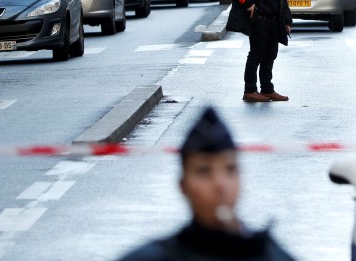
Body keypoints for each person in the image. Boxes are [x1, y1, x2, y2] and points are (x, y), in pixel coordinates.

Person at [118, 106, 294, 261]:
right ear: (183, 185)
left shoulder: (270, 255)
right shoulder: (153, 257)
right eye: (204, 171)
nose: (220, 184)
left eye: (230, 169)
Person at [227, 0, 292, 102]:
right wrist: (247, 2)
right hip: (258, 19)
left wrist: (287, 20)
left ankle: (267, 89)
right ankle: (249, 91)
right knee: (256, 55)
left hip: (274, 20)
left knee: (270, 55)